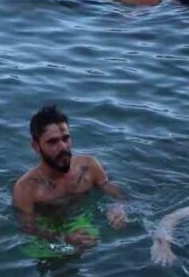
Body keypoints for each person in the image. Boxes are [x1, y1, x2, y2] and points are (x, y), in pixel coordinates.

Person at [12, 104, 127, 250]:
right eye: (53, 141)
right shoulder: (26, 188)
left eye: (65, 138)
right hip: (48, 230)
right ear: (36, 146)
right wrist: (63, 238)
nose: (63, 147)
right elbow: (28, 227)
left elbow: (114, 194)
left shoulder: (90, 167)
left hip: (81, 219)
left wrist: (118, 208)